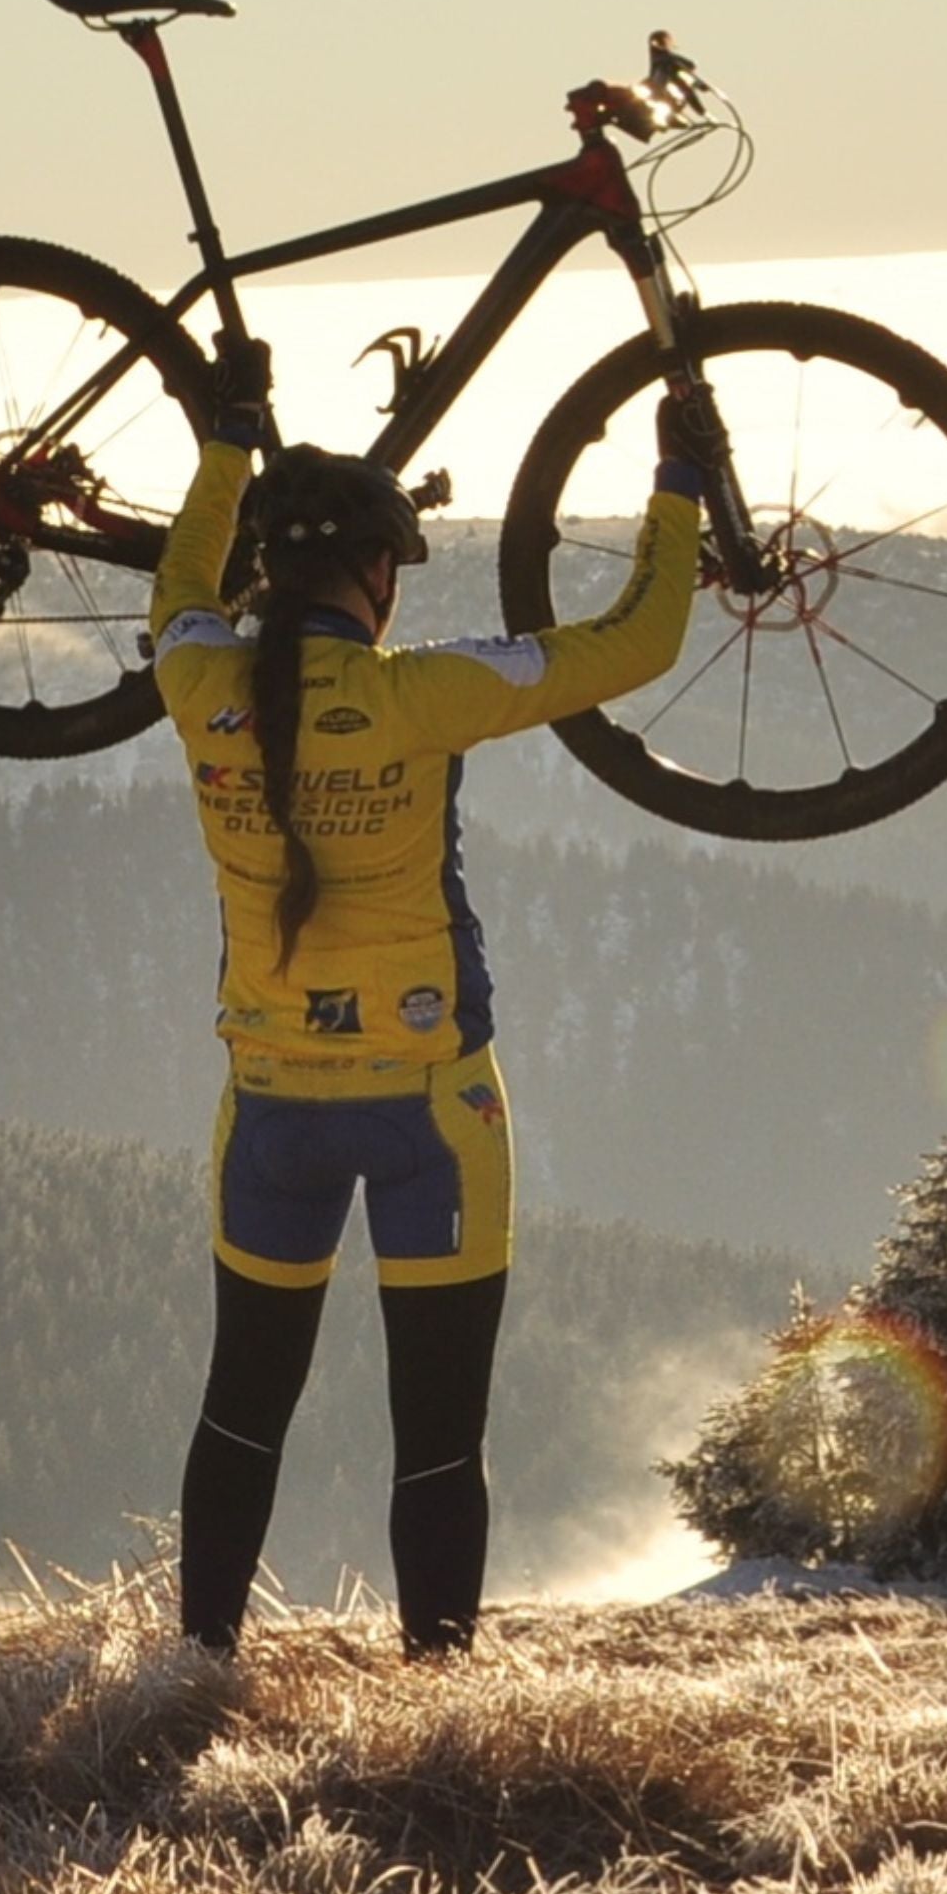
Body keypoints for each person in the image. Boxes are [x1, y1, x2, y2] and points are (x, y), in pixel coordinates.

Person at [148, 351, 712, 1657]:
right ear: (373, 579)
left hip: (271, 1109)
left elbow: (179, 585)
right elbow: (644, 640)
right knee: (439, 1436)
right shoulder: (421, 696)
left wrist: (227, 441)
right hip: (434, 1110)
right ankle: (440, 1698)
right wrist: (677, 479)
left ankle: (193, 1679)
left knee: (243, 1408)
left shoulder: (195, 686)